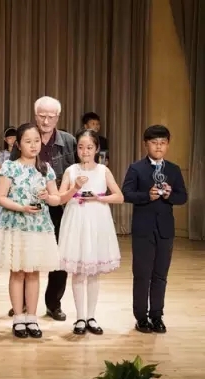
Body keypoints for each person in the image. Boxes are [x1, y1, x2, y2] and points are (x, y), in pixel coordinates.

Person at [0, 123, 61, 339]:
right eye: (28, 141)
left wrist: (48, 197)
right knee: (18, 271)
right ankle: (18, 318)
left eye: (36, 141)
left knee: (33, 272)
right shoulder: (10, 167)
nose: (33, 145)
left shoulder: (45, 168)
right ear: (19, 145)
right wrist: (22, 207)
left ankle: (32, 317)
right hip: (16, 226)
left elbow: (56, 199)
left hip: (38, 227)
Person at [122, 125, 188, 334]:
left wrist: (169, 195)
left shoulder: (173, 169)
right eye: (154, 142)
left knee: (160, 275)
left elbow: (183, 197)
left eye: (162, 143)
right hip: (143, 229)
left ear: (167, 145)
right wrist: (146, 196)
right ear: (146, 144)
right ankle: (141, 317)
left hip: (165, 230)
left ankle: (157, 316)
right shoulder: (136, 168)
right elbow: (126, 193)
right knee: (142, 274)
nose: (158, 147)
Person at [57, 130, 123, 335]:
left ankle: (91, 316)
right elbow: (60, 198)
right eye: (81, 147)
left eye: (89, 147)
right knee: (78, 271)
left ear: (96, 149)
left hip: (97, 221)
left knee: (93, 272)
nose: (85, 151)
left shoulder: (103, 170)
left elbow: (119, 196)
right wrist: (75, 187)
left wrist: (98, 198)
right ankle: (79, 317)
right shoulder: (71, 170)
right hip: (76, 221)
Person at [33, 96, 77, 322]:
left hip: (60, 207)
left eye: (51, 116)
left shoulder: (68, 141)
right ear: (35, 115)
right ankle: (24, 303)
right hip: (31, 207)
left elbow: (78, 170)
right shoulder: (27, 136)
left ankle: (53, 303)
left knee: (60, 258)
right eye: (42, 116)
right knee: (28, 256)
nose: (46, 121)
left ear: (58, 117)